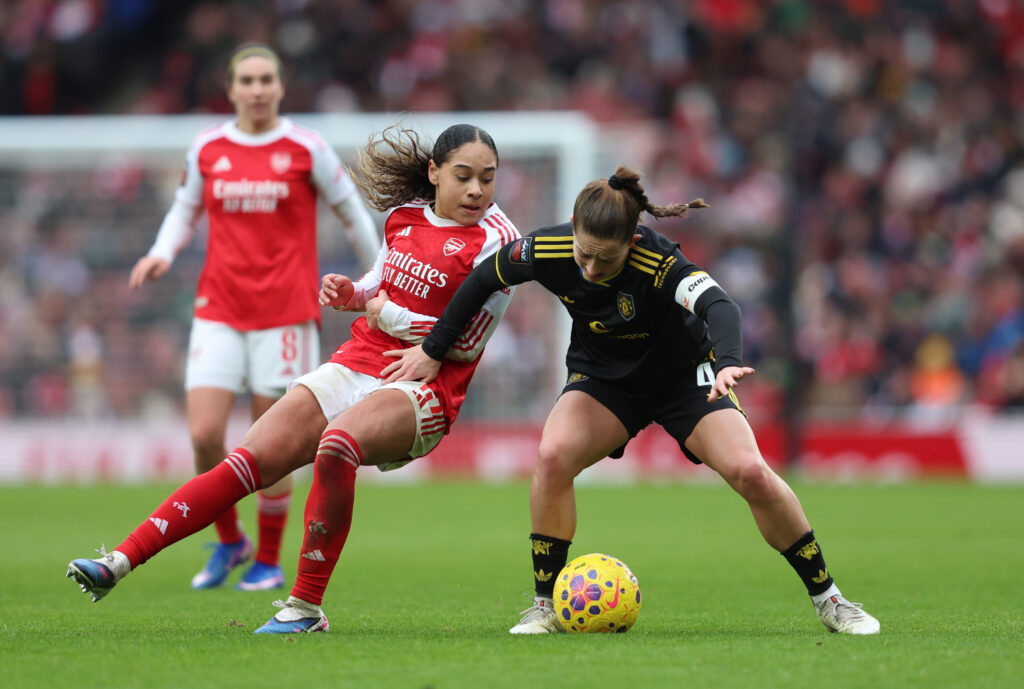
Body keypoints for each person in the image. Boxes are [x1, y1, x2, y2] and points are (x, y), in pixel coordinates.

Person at [383, 166, 881, 635]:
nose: (593, 267)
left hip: (685, 379)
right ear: (572, 229)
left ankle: (830, 599)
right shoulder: (546, 248)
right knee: (553, 457)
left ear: (633, 242)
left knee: (750, 471)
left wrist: (728, 359)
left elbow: (719, 304)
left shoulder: (659, 260)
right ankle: (544, 606)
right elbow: (481, 280)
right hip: (604, 381)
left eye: (607, 257)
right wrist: (433, 350)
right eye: (584, 253)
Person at [68, 122, 520, 634]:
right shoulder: (402, 218)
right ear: (435, 173)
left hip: (426, 388)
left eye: (488, 178)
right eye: (464, 176)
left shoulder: (499, 243)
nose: (477, 190)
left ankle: (304, 608)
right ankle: (118, 562)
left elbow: (467, 340)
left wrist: (385, 314)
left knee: (337, 445)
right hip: (360, 359)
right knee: (248, 461)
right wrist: (353, 292)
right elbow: (381, 282)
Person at [125, 43, 380, 592]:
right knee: (204, 433)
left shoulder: (305, 147)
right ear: (232, 87)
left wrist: (376, 277)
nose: (258, 89)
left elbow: (351, 212)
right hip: (219, 308)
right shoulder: (210, 147)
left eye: (267, 79)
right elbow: (186, 207)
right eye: (248, 80)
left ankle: (266, 560)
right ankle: (229, 541)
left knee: (272, 443)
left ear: (281, 86)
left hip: (285, 315)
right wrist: (162, 251)